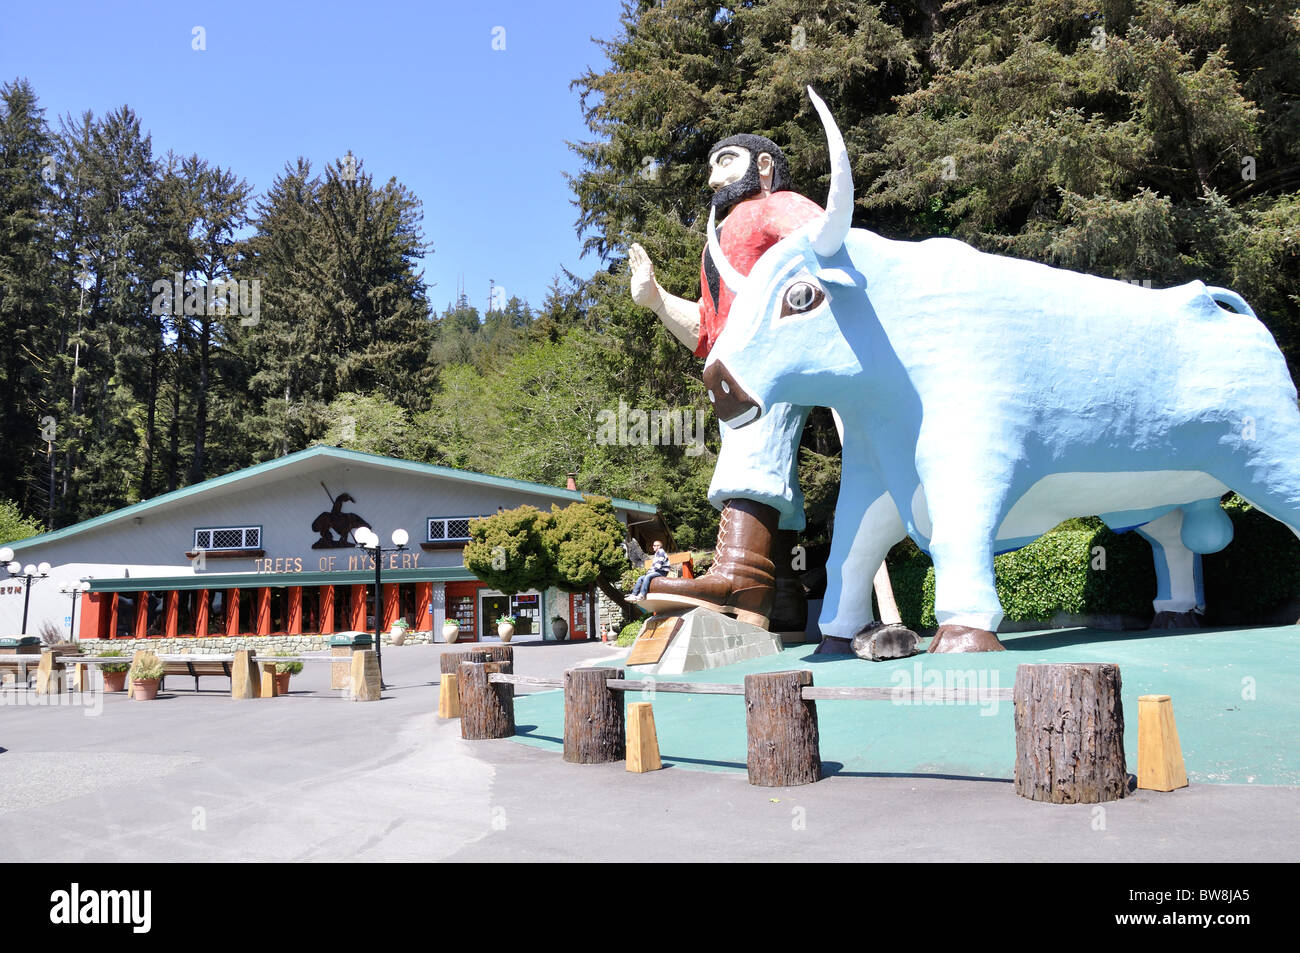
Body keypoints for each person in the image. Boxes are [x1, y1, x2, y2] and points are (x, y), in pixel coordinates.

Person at [629, 133, 822, 630]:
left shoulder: (778, 206)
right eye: (711, 167)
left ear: (763, 166)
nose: (714, 178)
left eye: (727, 162)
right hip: (731, 364)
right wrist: (656, 299)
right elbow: (706, 330)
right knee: (772, 463)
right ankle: (783, 592)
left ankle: (740, 575)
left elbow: (829, 249)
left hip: (776, 354)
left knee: (753, 447)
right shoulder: (716, 242)